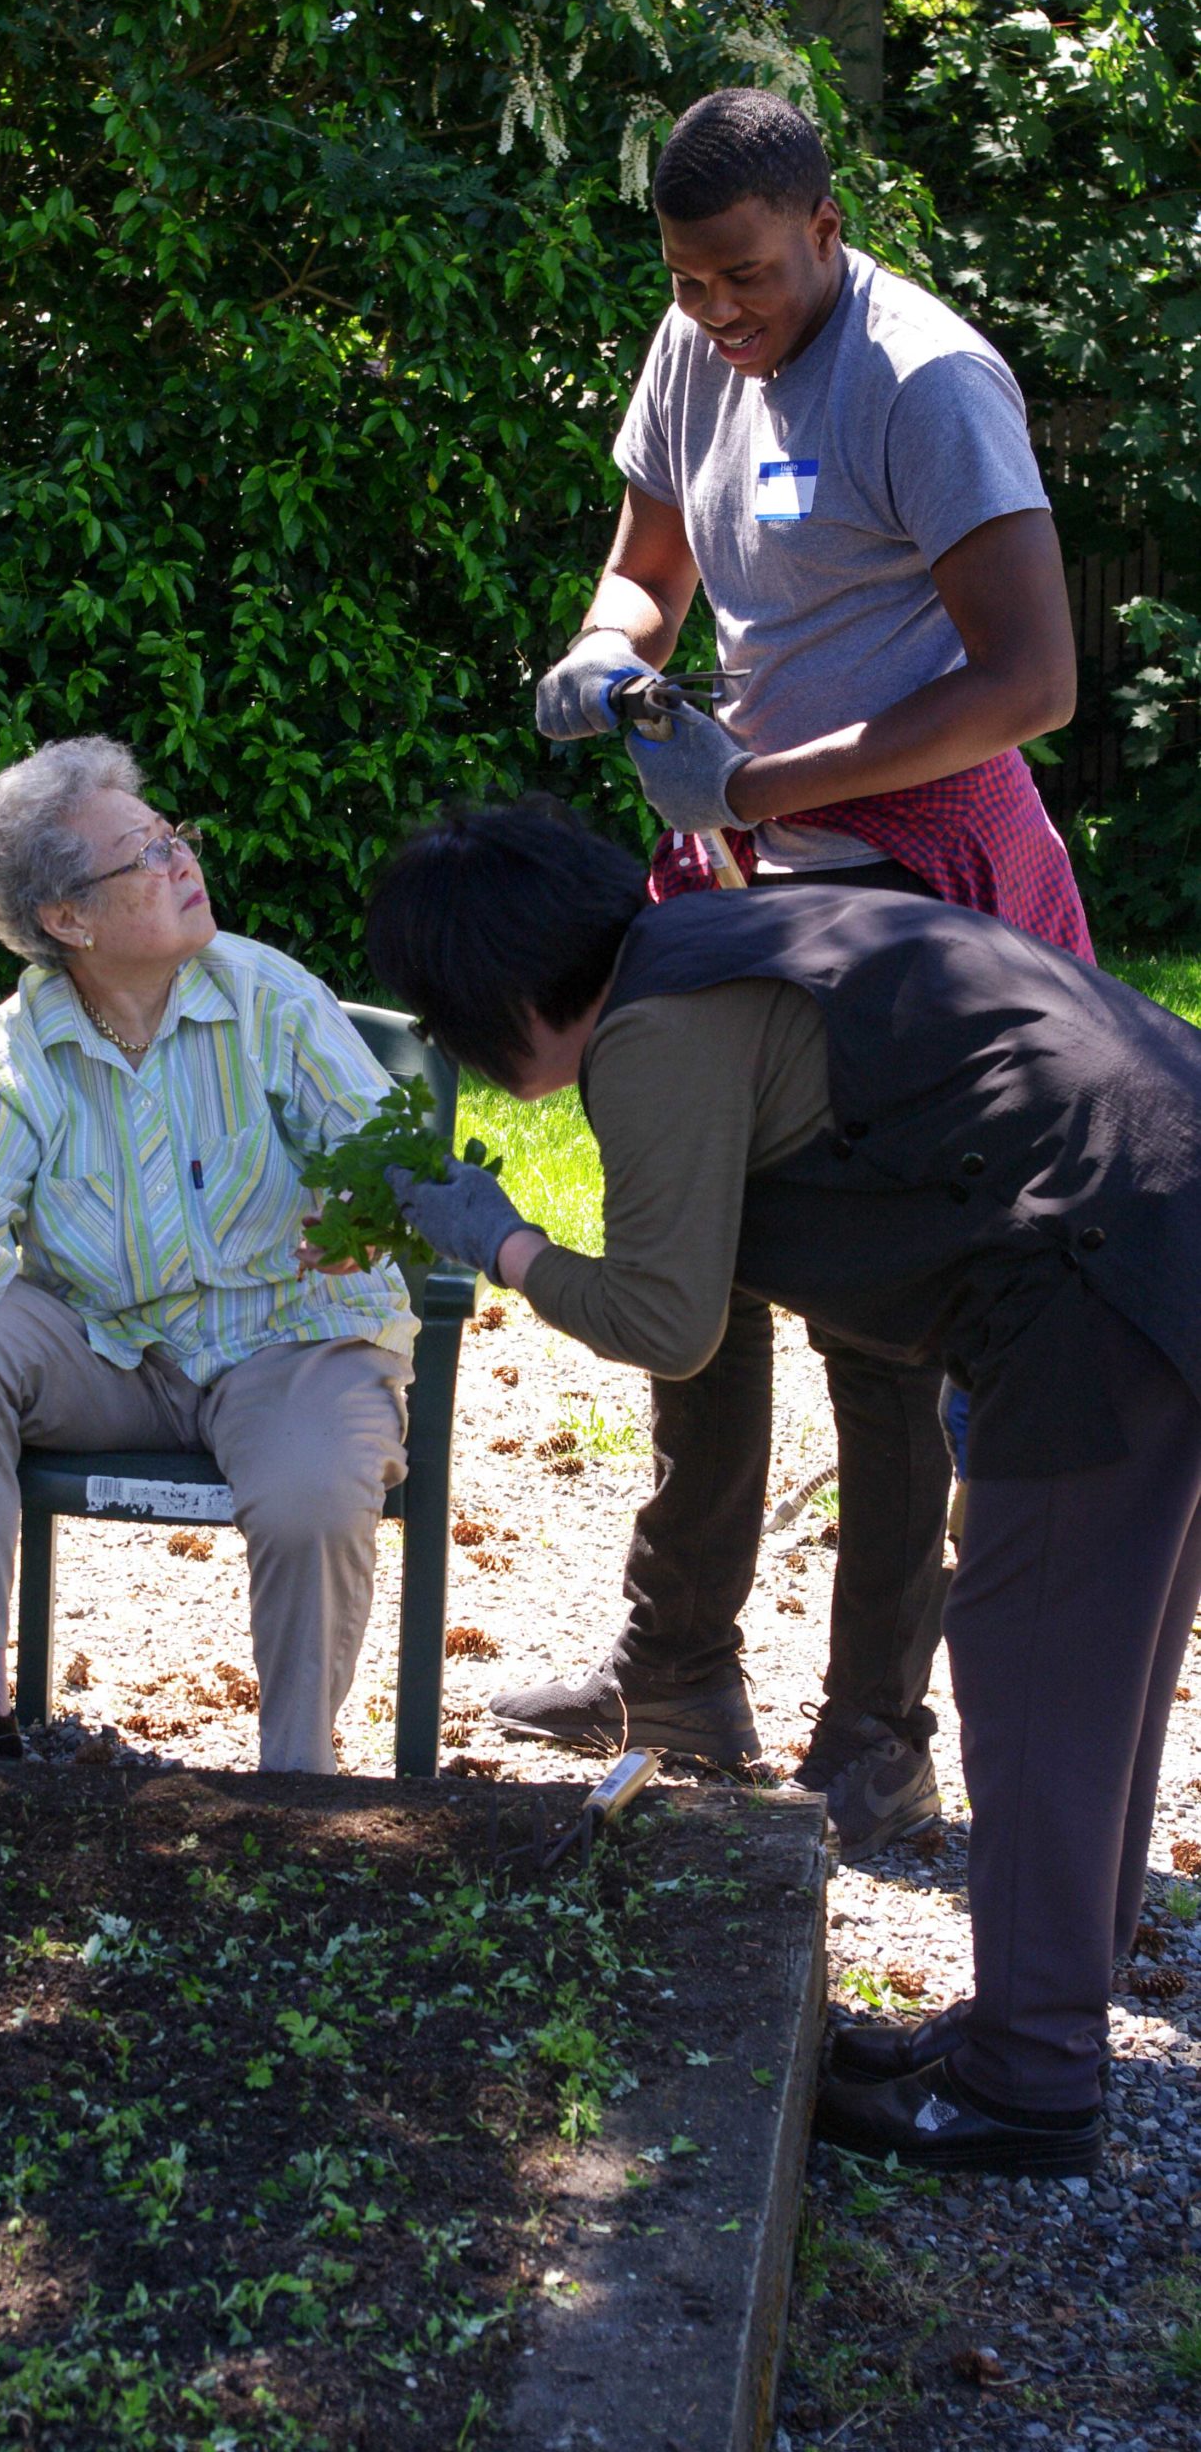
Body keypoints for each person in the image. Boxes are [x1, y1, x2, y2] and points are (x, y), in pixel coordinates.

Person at [366, 797, 1201, 2175]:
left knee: (1034, 1666)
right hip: (1153, 1196)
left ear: (492, 997)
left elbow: (665, 1319)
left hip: (1096, 1261)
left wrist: (500, 1241)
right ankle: (1040, 2006)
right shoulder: (715, 940)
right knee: (1096, 1654)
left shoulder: (648, 1030)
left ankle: (1028, 2082)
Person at [512, 85, 1092, 1860]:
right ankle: (676, 1671)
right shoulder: (693, 344)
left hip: (919, 873)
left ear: (826, 229)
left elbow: (1031, 680)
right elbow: (647, 569)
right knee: (700, 1234)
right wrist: (607, 657)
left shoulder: (925, 380)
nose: (717, 315)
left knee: (884, 1306)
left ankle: (876, 1734)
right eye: (690, 281)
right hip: (754, 858)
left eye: (747, 278)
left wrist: (760, 780)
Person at [0, 736, 416, 1774]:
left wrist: (356, 1210)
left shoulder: (267, 995)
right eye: (144, 856)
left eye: (170, 838)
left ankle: (298, 1774)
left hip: (290, 1339)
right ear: (68, 920)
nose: (182, 862)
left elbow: (386, 1148)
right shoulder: (9, 1049)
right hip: (111, 1348)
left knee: (309, 1488)